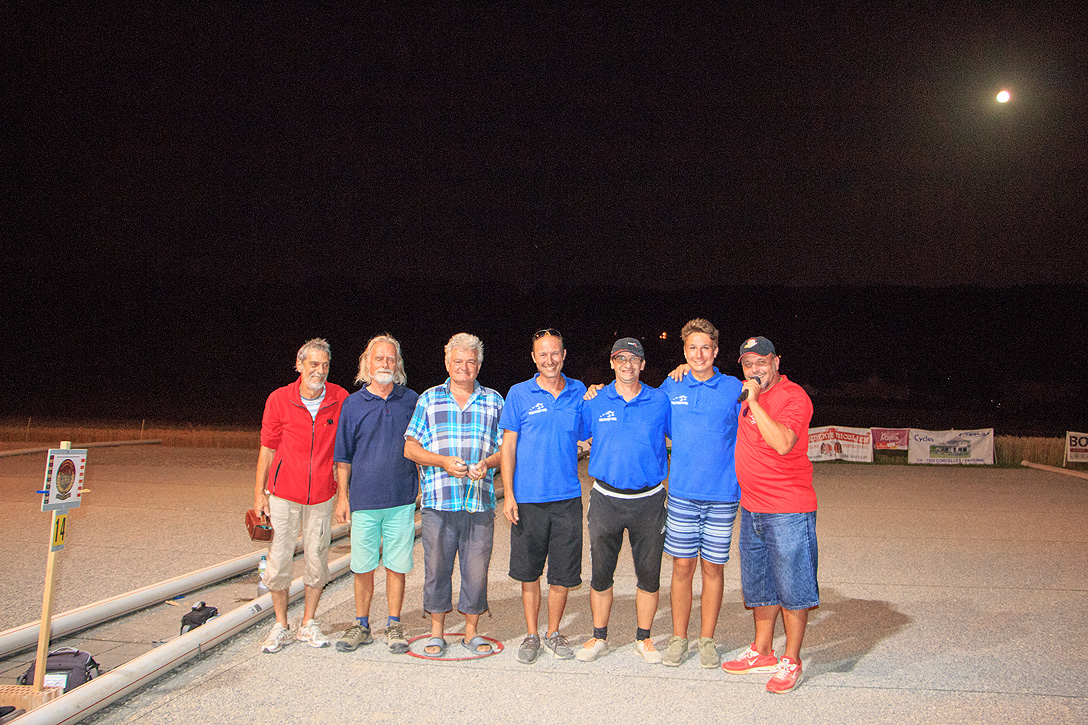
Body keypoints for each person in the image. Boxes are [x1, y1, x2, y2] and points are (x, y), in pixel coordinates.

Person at [721, 336, 817, 694]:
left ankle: (791, 659)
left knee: (793, 587)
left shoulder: (793, 397)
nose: (754, 369)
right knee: (760, 585)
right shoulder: (746, 392)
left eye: (761, 362)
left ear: (776, 362)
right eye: (748, 364)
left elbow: (783, 443)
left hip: (788, 509)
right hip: (752, 507)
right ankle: (762, 650)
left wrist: (755, 402)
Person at [404, 333, 504, 657]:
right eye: (458, 361)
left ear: (479, 365)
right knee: (437, 568)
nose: (464, 367)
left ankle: (471, 632)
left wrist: (487, 463)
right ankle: (437, 632)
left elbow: (507, 448)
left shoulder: (494, 401)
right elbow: (410, 448)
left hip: (479, 501)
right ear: (447, 363)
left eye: (470, 361)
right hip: (439, 500)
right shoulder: (429, 399)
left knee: (476, 570)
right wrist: (442, 462)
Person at [577, 337, 669, 664]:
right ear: (612, 363)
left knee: (649, 575)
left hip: (649, 500)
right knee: (602, 573)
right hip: (607, 499)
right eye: (621, 359)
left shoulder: (660, 400)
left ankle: (644, 638)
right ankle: (599, 636)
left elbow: (683, 434)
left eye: (633, 359)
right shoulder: (595, 400)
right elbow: (576, 434)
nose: (627, 365)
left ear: (642, 364)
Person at [254, 338, 349, 653]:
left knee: (317, 559)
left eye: (325, 365)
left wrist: (344, 496)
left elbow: (345, 451)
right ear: (299, 365)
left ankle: (308, 622)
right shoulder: (279, 399)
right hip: (283, 495)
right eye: (313, 364)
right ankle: (281, 625)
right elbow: (267, 449)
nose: (319, 371)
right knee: (279, 559)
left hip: (321, 496)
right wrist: (259, 494)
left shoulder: (339, 398)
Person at [659, 319, 743, 668]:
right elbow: (650, 417)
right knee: (682, 567)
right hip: (682, 492)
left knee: (713, 568)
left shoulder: (733, 388)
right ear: (684, 351)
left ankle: (706, 639)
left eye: (705, 347)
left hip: (723, 493)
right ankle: (679, 637)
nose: (699, 354)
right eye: (692, 348)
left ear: (716, 351)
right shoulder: (671, 385)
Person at [499, 329, 587, 664]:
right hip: (528, 499)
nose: (549, 360)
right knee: (529, 573)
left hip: (566, 498)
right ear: (534, 358)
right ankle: (532, 634)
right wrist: (509, 495)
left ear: (563, 355)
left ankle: (553, 632)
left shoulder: (579, 391)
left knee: (563, 574)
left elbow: (590, 432)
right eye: (542, 354)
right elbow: (508, 447)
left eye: (555, 353)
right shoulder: (519, 393)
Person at [333, 334, 420, 655]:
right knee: (362, 566)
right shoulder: (353, 404)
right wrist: (343, 498)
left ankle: (394, 624)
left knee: (397, 565)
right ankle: (361, 624)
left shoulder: (411, 400)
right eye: (379, 358)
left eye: (390, 359)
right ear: (367, 364)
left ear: (398, 365)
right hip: (364, 501)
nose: (385, 364)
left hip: (401, 499)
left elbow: (421, 446)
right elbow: (343, 457)